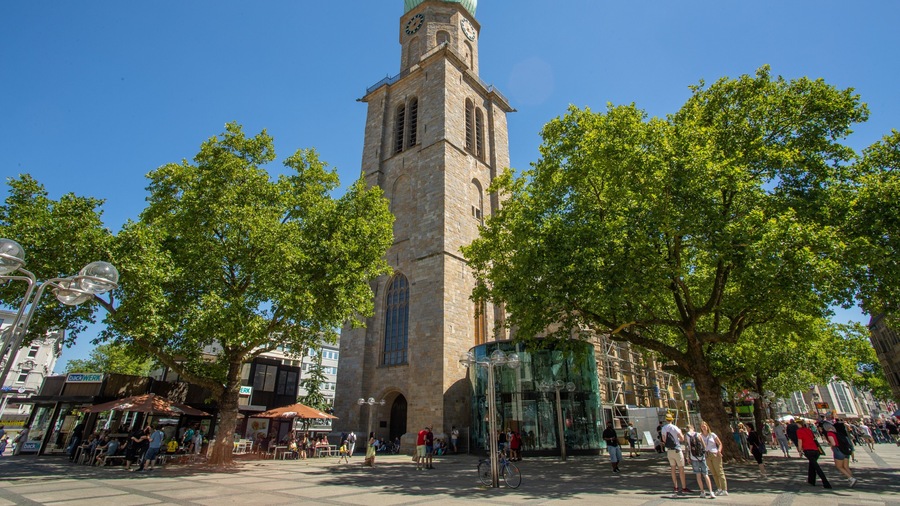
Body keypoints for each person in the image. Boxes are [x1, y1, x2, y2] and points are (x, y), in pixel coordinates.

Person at [796, 419, 831, 489]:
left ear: (800, 425)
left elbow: (800, 441)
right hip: (815, 450)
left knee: (816, 467)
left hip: (808, 450)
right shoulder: (809, 430)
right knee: (812, 464)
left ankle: (825, 481)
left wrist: (799, 450)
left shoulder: (799, 431)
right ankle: (811, 480)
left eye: (797, 425)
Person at [661, 413, 690, 496]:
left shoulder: (663, 428)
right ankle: (684, 487)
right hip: (677, 449)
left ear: (666, 420)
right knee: (681, 469)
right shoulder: (675, 427)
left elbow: (664, 440)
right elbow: (682, 438)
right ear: (672, 420)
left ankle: (675, 487)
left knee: (673, 469)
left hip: (669, 451)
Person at [822, 421, 857, 487]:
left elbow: (834, 444)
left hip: (838, 450)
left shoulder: (829, 433)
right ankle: (851, 478)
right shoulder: (837, 432)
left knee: (839, 466)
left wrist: (830, 445)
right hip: (845, 450)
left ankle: (851, 478)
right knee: (846, 466)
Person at [685, 424, 715, 498]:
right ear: (693, 428)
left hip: (693, 457)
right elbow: (704, 445)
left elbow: (687, 447)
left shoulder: (686, 436)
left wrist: (687, 457)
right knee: (706, 474)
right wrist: (705, 453)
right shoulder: (698, 434)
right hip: (701, 457)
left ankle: (702, 491)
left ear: (687, 429)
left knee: (698, 475)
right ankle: (711, 492)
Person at [700, 421, 728, 496]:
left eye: (705, 426)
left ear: (707, 426)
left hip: (714, 453)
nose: (703, 427)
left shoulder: (712, 435)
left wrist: (719, 451)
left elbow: (720, 444)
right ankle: (719, 488)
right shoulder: (701, 436)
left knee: (719, 471)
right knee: (713, 473)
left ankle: (724, 489)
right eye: (702, 426)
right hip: (707, 455)